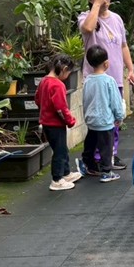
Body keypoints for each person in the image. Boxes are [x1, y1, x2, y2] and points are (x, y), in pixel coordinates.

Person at [79, 0, 134, 170]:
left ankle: (110, 154)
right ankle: (97, 158)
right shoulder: (86, 17)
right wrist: (96, 4)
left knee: (115, 119)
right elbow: (88, 29)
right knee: (99, 120)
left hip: (115, 78)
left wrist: (130, 69)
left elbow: (123, 46)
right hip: (96, 80)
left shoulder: (116, 18)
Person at [34, 54, 81, 191]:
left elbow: (37, 99)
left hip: (46, 123)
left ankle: (66, 173)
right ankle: (57, 180)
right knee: (59, 152)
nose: (67, 76)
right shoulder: (58, 85)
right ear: (64, 69)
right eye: (68, 73)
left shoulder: (43, 81)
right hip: (55, 124)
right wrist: (70, 120)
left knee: (61, 148)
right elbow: (61, 108)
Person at [82, 45, 126, 183]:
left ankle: (89, 165)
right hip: (105, 121)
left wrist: (86, 115)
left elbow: (85, 99)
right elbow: (115, 101)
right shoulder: (109, 81)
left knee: (90, 144)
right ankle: (106, 171)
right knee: (106, 147)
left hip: (91, 120)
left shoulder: (87, 80)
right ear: (106, 63)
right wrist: (119, 117)